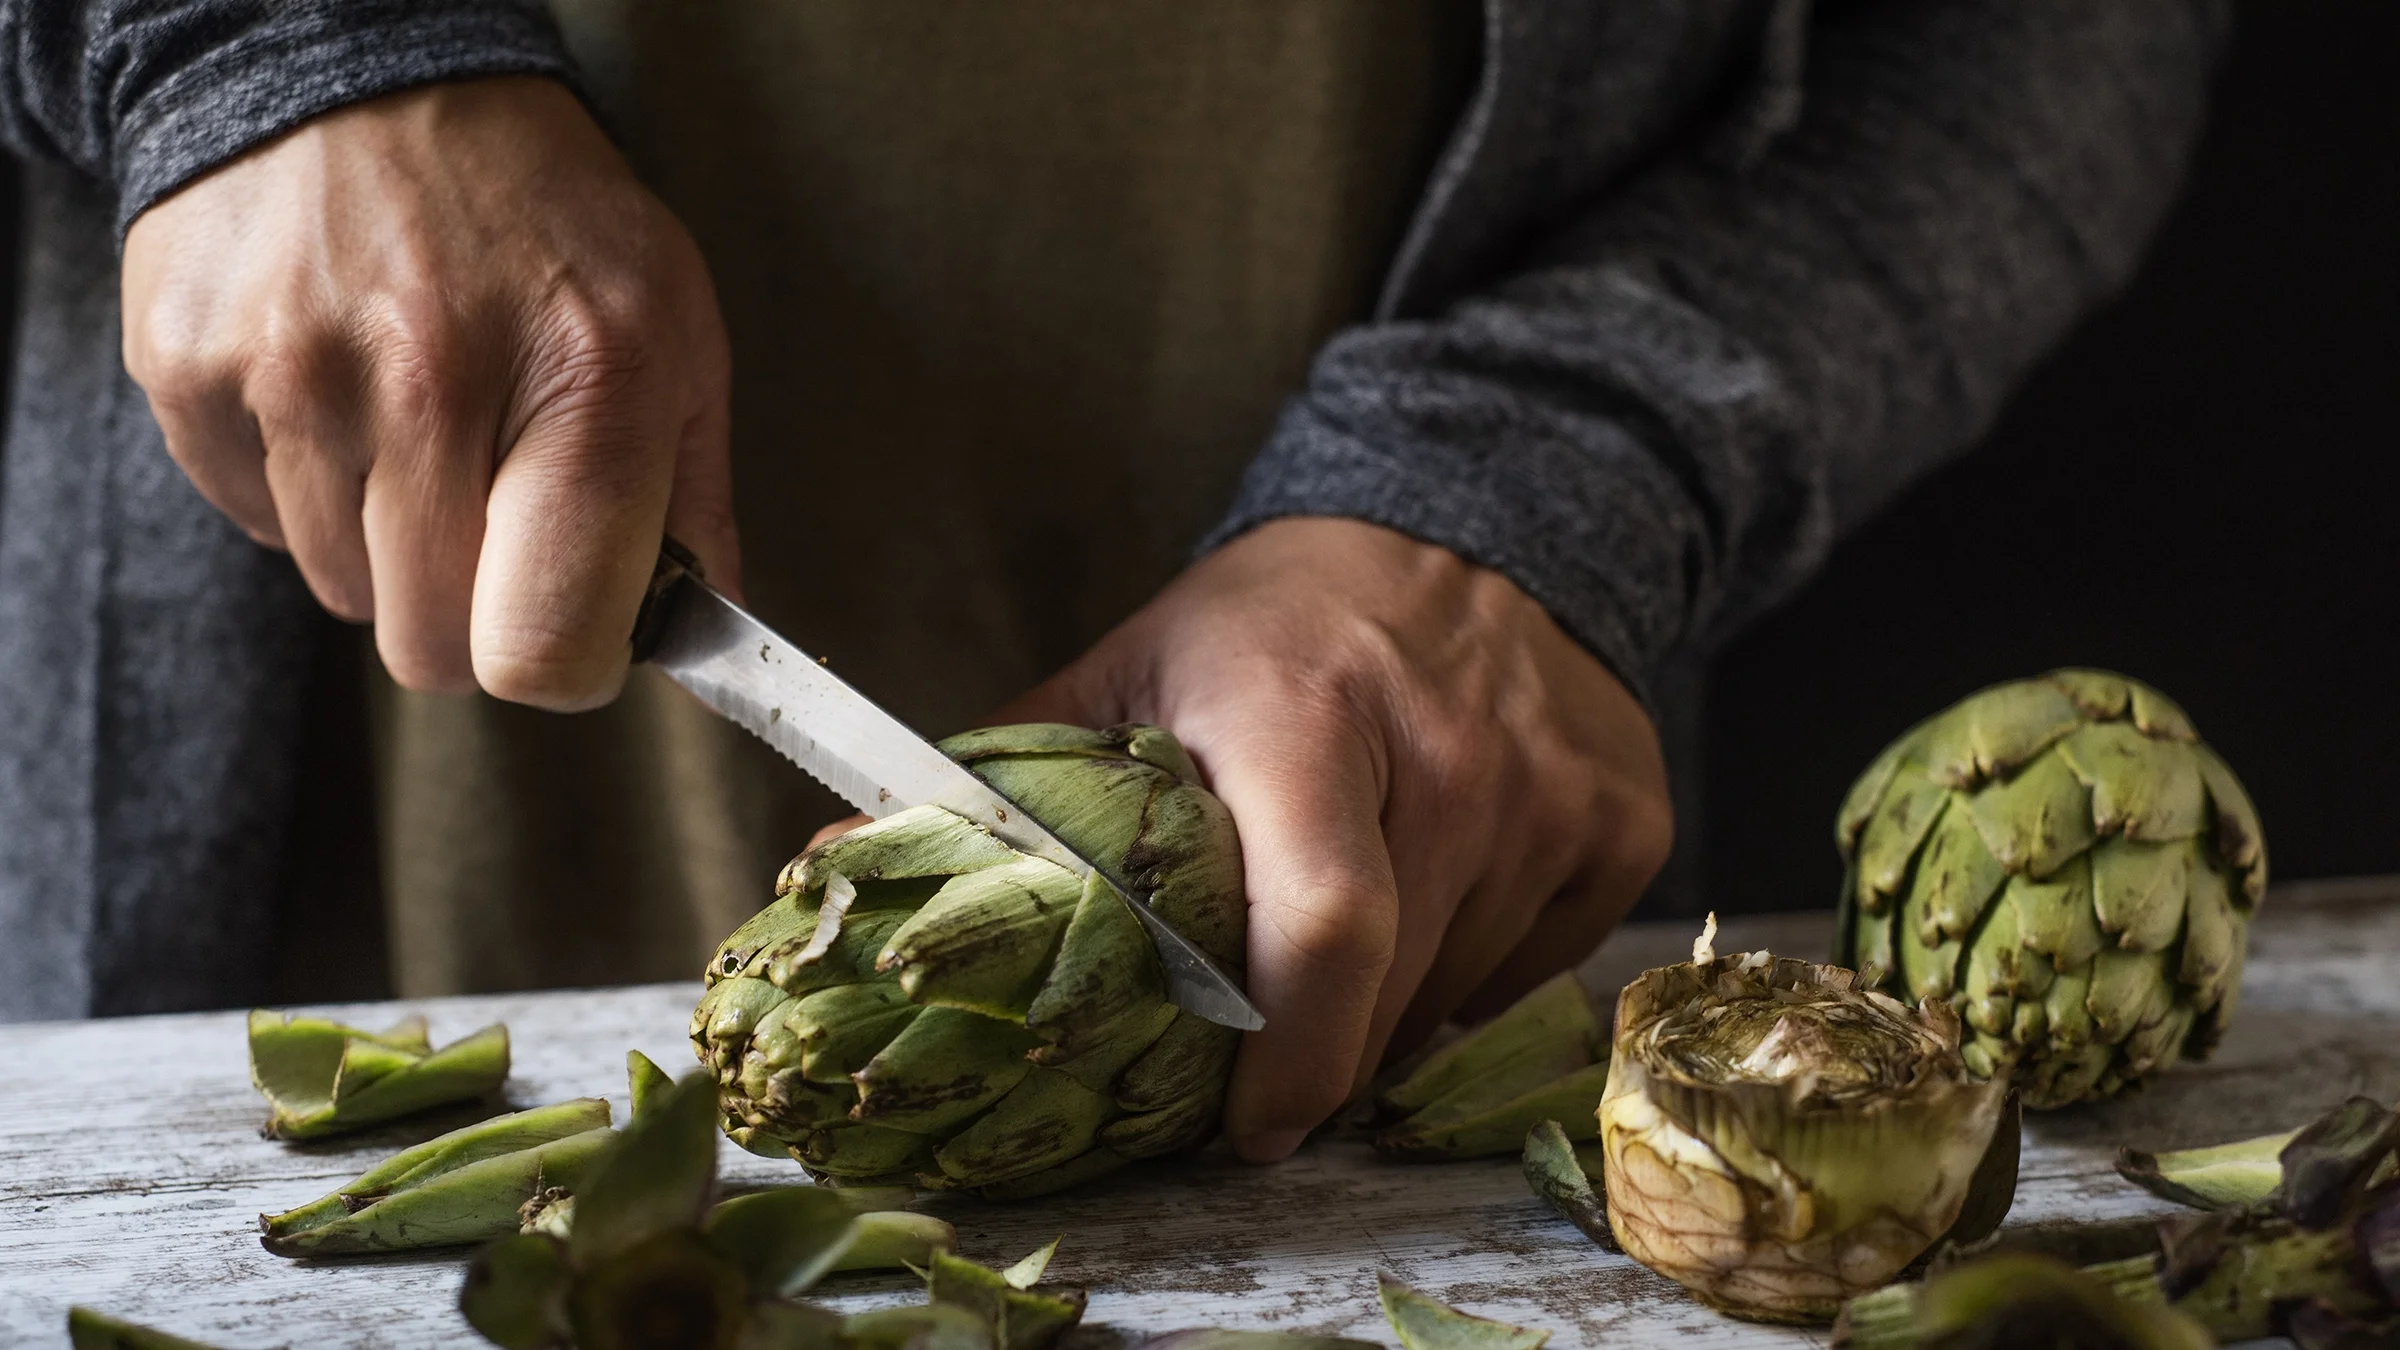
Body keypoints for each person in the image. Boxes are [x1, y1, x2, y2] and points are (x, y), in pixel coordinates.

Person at [0, 1, 2225, 1163]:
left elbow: (2053, 35)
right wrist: (251, 36)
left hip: (1394, 882)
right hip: (300, 892)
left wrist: (1548, 469)